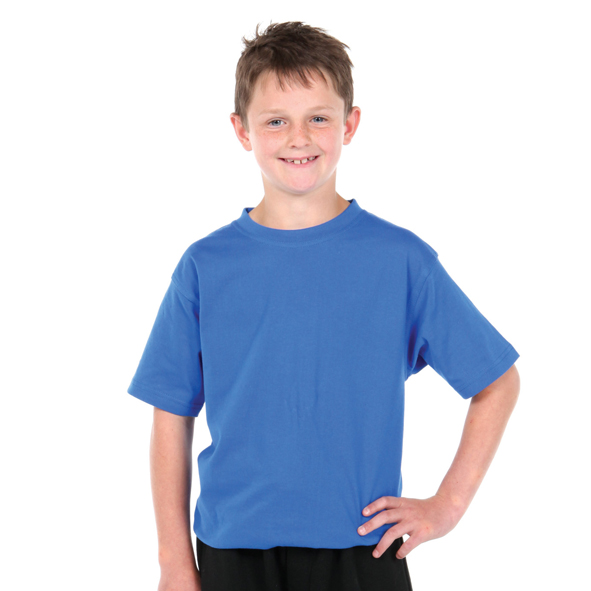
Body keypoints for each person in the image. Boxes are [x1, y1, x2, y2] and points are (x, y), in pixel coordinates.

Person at [127, 21, 521, 591]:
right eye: (276, 121)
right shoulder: (205, 266)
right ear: (241, 130)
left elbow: (497, 381)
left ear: (349, 124)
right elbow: (171, 412)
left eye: (318, 118)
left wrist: (447, 506)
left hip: (363, 548)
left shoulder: (400, 260)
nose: (299, 138)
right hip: (233, 549)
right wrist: (173, 560)